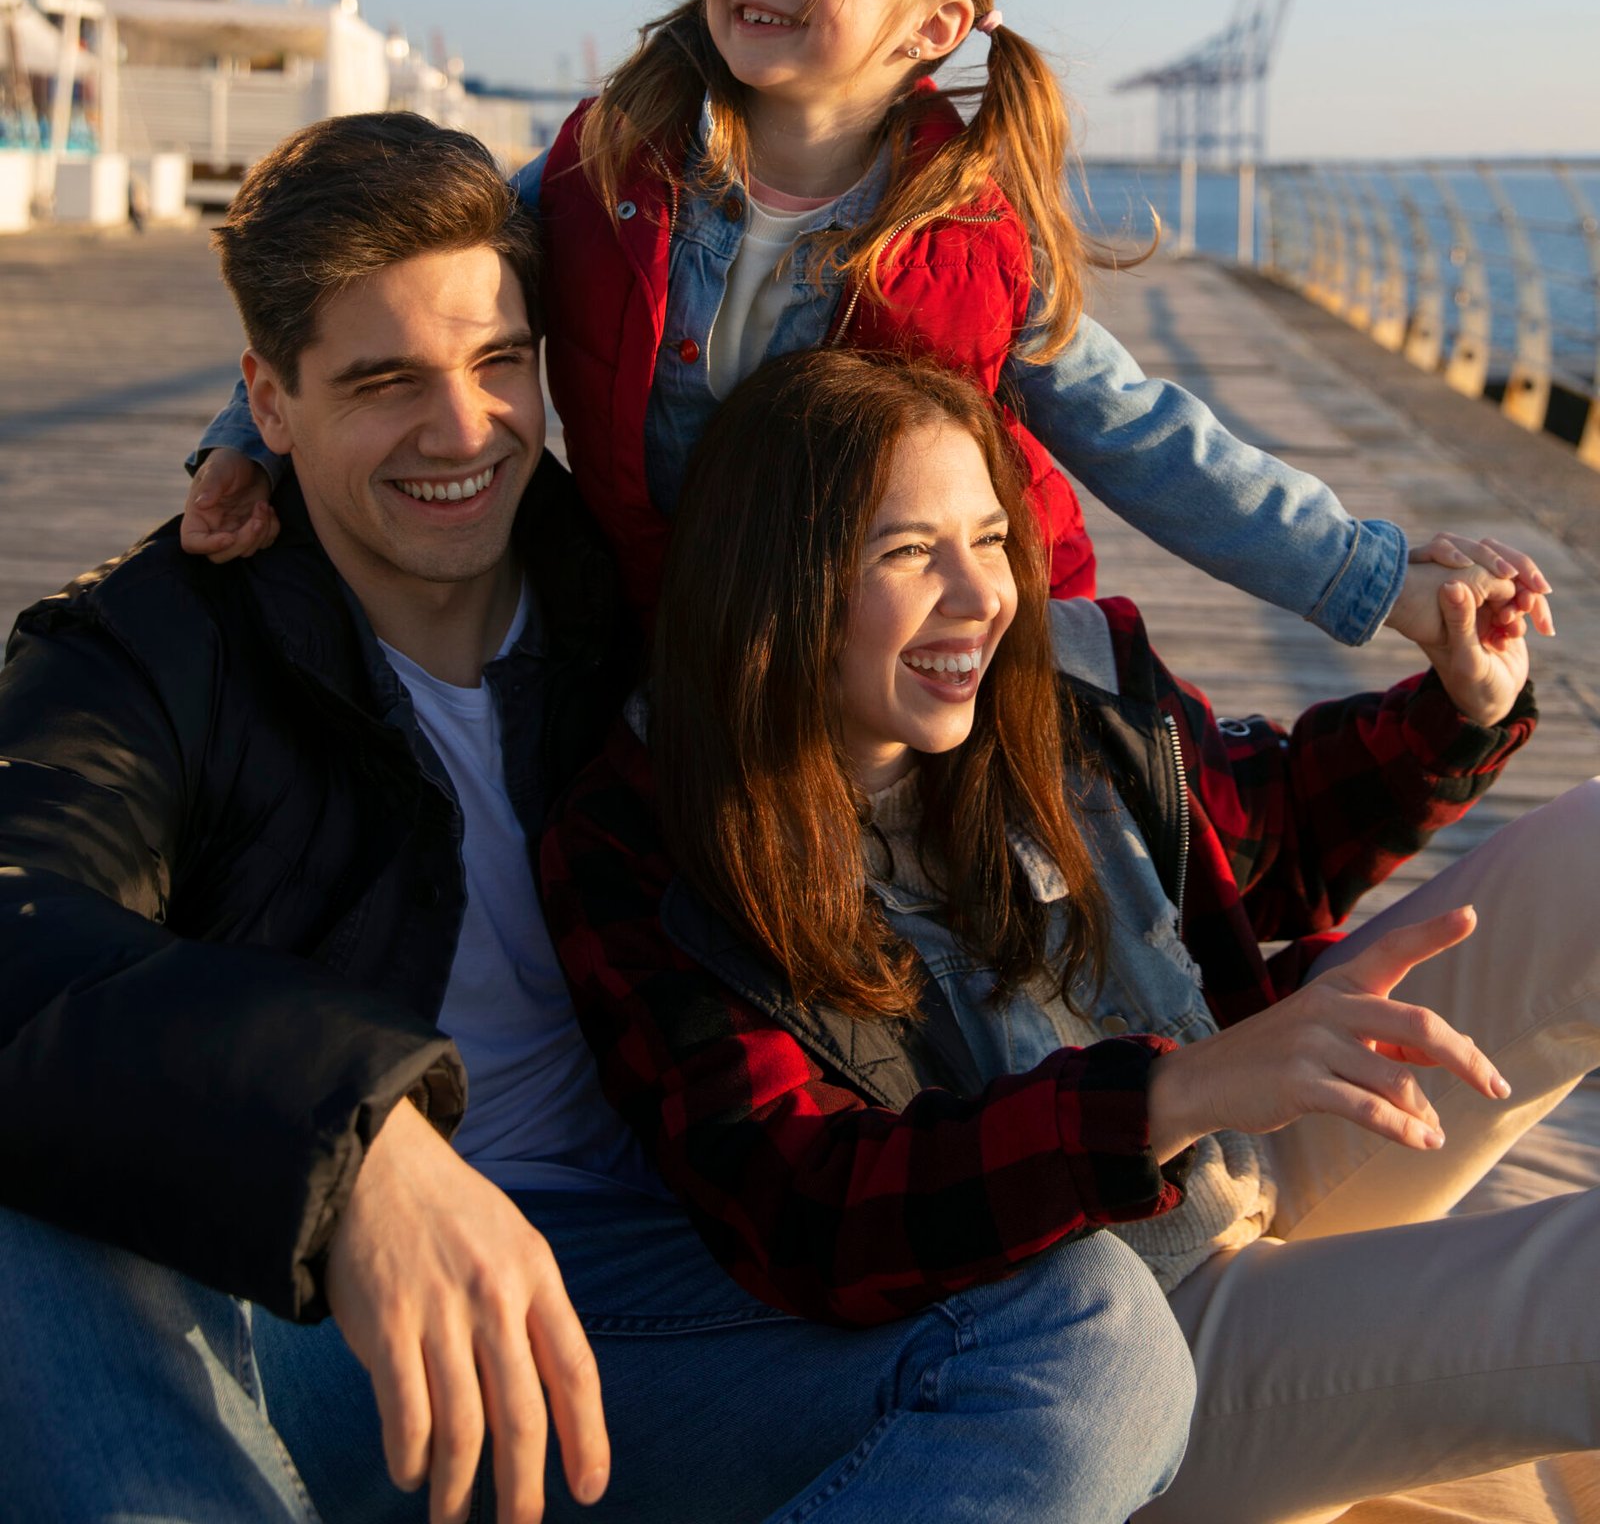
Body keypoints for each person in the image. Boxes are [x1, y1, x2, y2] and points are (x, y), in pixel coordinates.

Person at [0, 114, 1198, 1524]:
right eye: (385, 381)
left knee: (1092, 1337)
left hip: (633, 1296)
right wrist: (359, 1144)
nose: (463, 430)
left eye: (499, 364)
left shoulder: (638, 600)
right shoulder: (148, 646)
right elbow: (24, 914)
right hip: (295, 1310)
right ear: (266, 402)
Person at [541, 349, 1600, 1522]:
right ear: (780, 582)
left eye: (989, 538)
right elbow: (803, 1207)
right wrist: (1166, 1098)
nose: (978, 595)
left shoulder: (1064, 678)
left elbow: (1268, 835)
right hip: (1133, 1334)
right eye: (905, 552)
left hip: (1250, 1150)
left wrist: (1457, 706)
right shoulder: (655, 841)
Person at [180, 0, 1554, 648]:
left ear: (938, 27)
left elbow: (1146, 434)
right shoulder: (612, 164)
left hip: (890, 667)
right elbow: (413, 290)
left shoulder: (977, 244)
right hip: (655, 640)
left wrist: (1366, 575)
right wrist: (252, 438)